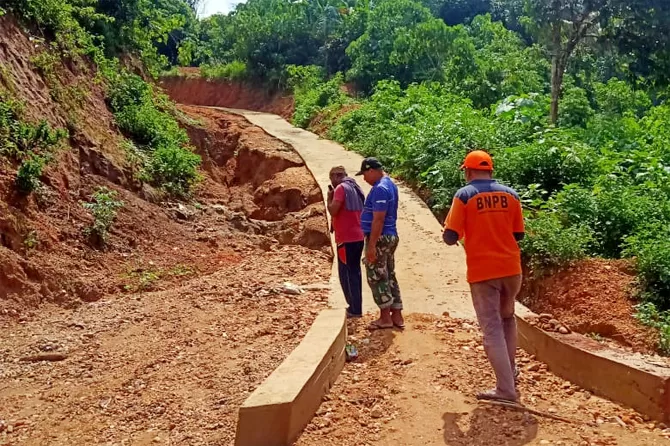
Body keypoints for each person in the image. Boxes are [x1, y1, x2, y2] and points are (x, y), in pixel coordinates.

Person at [442, 150, 525, 403]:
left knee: (491, 328)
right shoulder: (511, 194)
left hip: (483, 272)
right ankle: (510, 374)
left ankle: (505, 390)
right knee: (508, 319)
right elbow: (518, 234)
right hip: (512, 269)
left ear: (467, 171)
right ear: (491, 171)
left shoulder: (464, 195)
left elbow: (450, 237)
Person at [356, 158, 403, 330]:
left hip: (381, 237)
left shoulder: (380, 189)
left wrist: (371, 246)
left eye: (365, 174)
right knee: (389, 273)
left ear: (371, 171)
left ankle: (385, 317)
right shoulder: (390, 184)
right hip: (390, 236)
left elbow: (378, 219)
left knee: (376, 275)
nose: (364, 179)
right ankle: (397, 314)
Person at [327, 166, 366, 318]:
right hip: (358, 236)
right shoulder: (355, 187)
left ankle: (354, 309)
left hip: (346, 238)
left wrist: (329, 197)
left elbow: (333, 211)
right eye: (333, 177)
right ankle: (356, 306)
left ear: (339, 176)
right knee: (355, 272)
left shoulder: (340, 189)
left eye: (336, 176)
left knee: (347, 274)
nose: (334, 180)